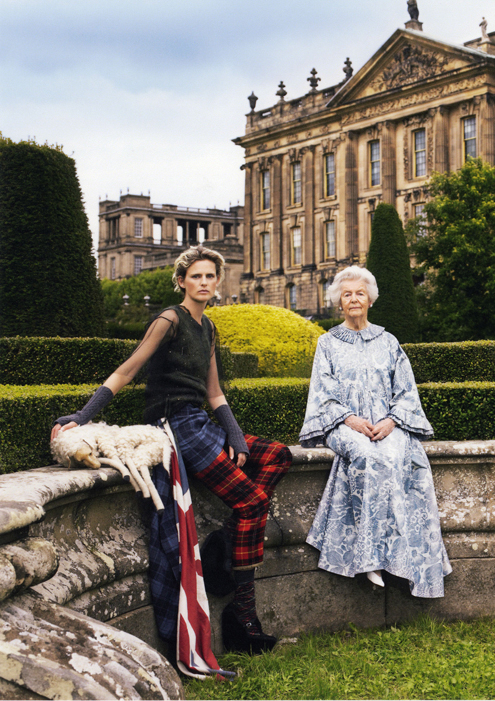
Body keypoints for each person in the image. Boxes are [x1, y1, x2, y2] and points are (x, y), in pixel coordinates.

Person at [50, 245, 290, 655]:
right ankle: (242, 618)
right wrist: (84, 415)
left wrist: (234, 434)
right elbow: (128, 368)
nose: (204, 283)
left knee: (278, 455)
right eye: (195, 276)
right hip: (175, 426)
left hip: (202, 423)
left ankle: (224, 546)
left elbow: (214, 392)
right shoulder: (169, 319)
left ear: (218, 281)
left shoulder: (209, 328)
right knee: (251, 503)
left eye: (210, 276)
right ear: (181, 281)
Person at [300, 266, 451, 597]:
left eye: (360, 293)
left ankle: (406, 558)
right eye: (347, 294)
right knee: (368, 456)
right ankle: (370, 558)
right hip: (343, 425)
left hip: (386, 424)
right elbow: (323, 393)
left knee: (404, 457)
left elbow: (406, 391)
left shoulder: (389, 342)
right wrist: (349, 419)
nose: (354, 299)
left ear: (370, 300)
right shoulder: (326, 343)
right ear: (339, 302)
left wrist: (393, 420)